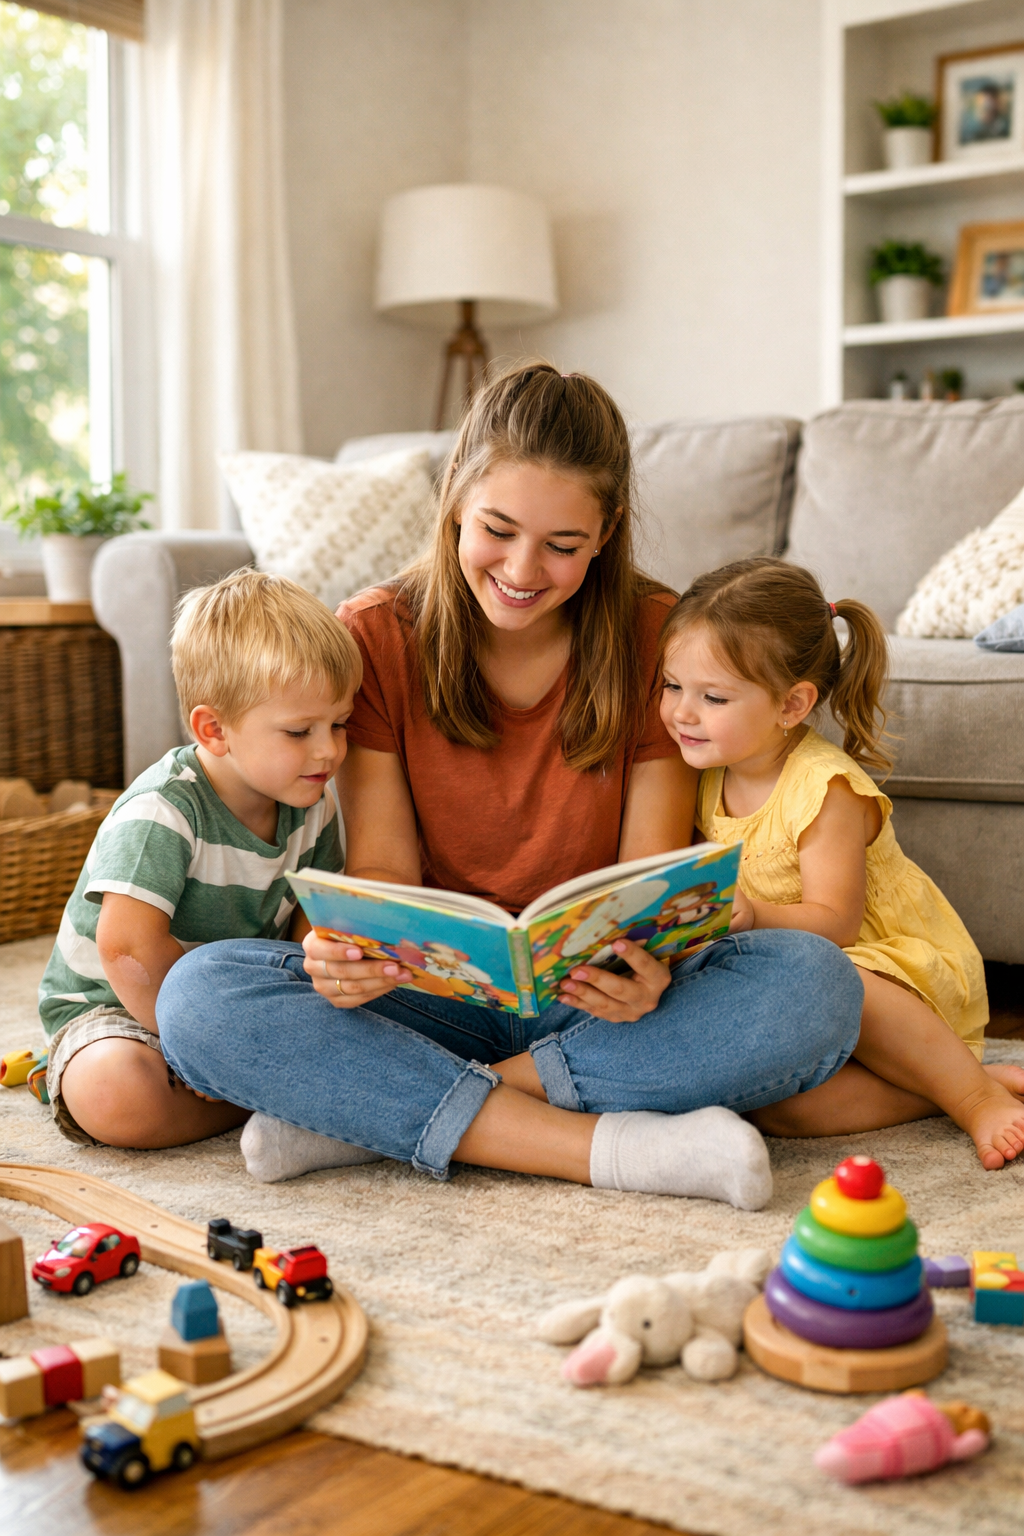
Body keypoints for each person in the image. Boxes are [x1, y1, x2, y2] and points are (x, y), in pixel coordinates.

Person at [157, 363, 864, 1208]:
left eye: (563, 546)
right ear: (454, 497)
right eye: (498, 529)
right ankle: (610, 1147)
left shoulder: (658, 636)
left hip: (602, 1003)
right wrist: (350, 955)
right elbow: (383, 863)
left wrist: (650, 967)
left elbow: (646, 874)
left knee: (815, 985)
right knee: (200, 996)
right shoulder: (376, 635)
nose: (524, 569)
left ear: (606, 534)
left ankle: (382, 1111)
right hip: (430, 995)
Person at [658, 556, 1024, 1171]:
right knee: (777, 1107)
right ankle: (935, 1090)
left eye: (712, 697)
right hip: (797, 979)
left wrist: (750, 915)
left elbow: (837, 925)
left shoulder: (824, 789)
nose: (681, 713)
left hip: (890, 977)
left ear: (792, 705)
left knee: (842, 977)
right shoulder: (704, 769)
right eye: (672, 686)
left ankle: (973, 1095)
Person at [39, 569, 361, 1147]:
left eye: (339, 724)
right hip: (123, 1010)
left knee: (378, 1020)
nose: (329, 750)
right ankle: (278, 1104)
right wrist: (199, 1047)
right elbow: (127, 950)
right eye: (298, 731)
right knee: (115, 1095)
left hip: (231, 1007)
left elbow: (307, 927)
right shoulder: (164, 809)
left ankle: (278, 1095)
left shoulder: (313, 803)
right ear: (214, 730)